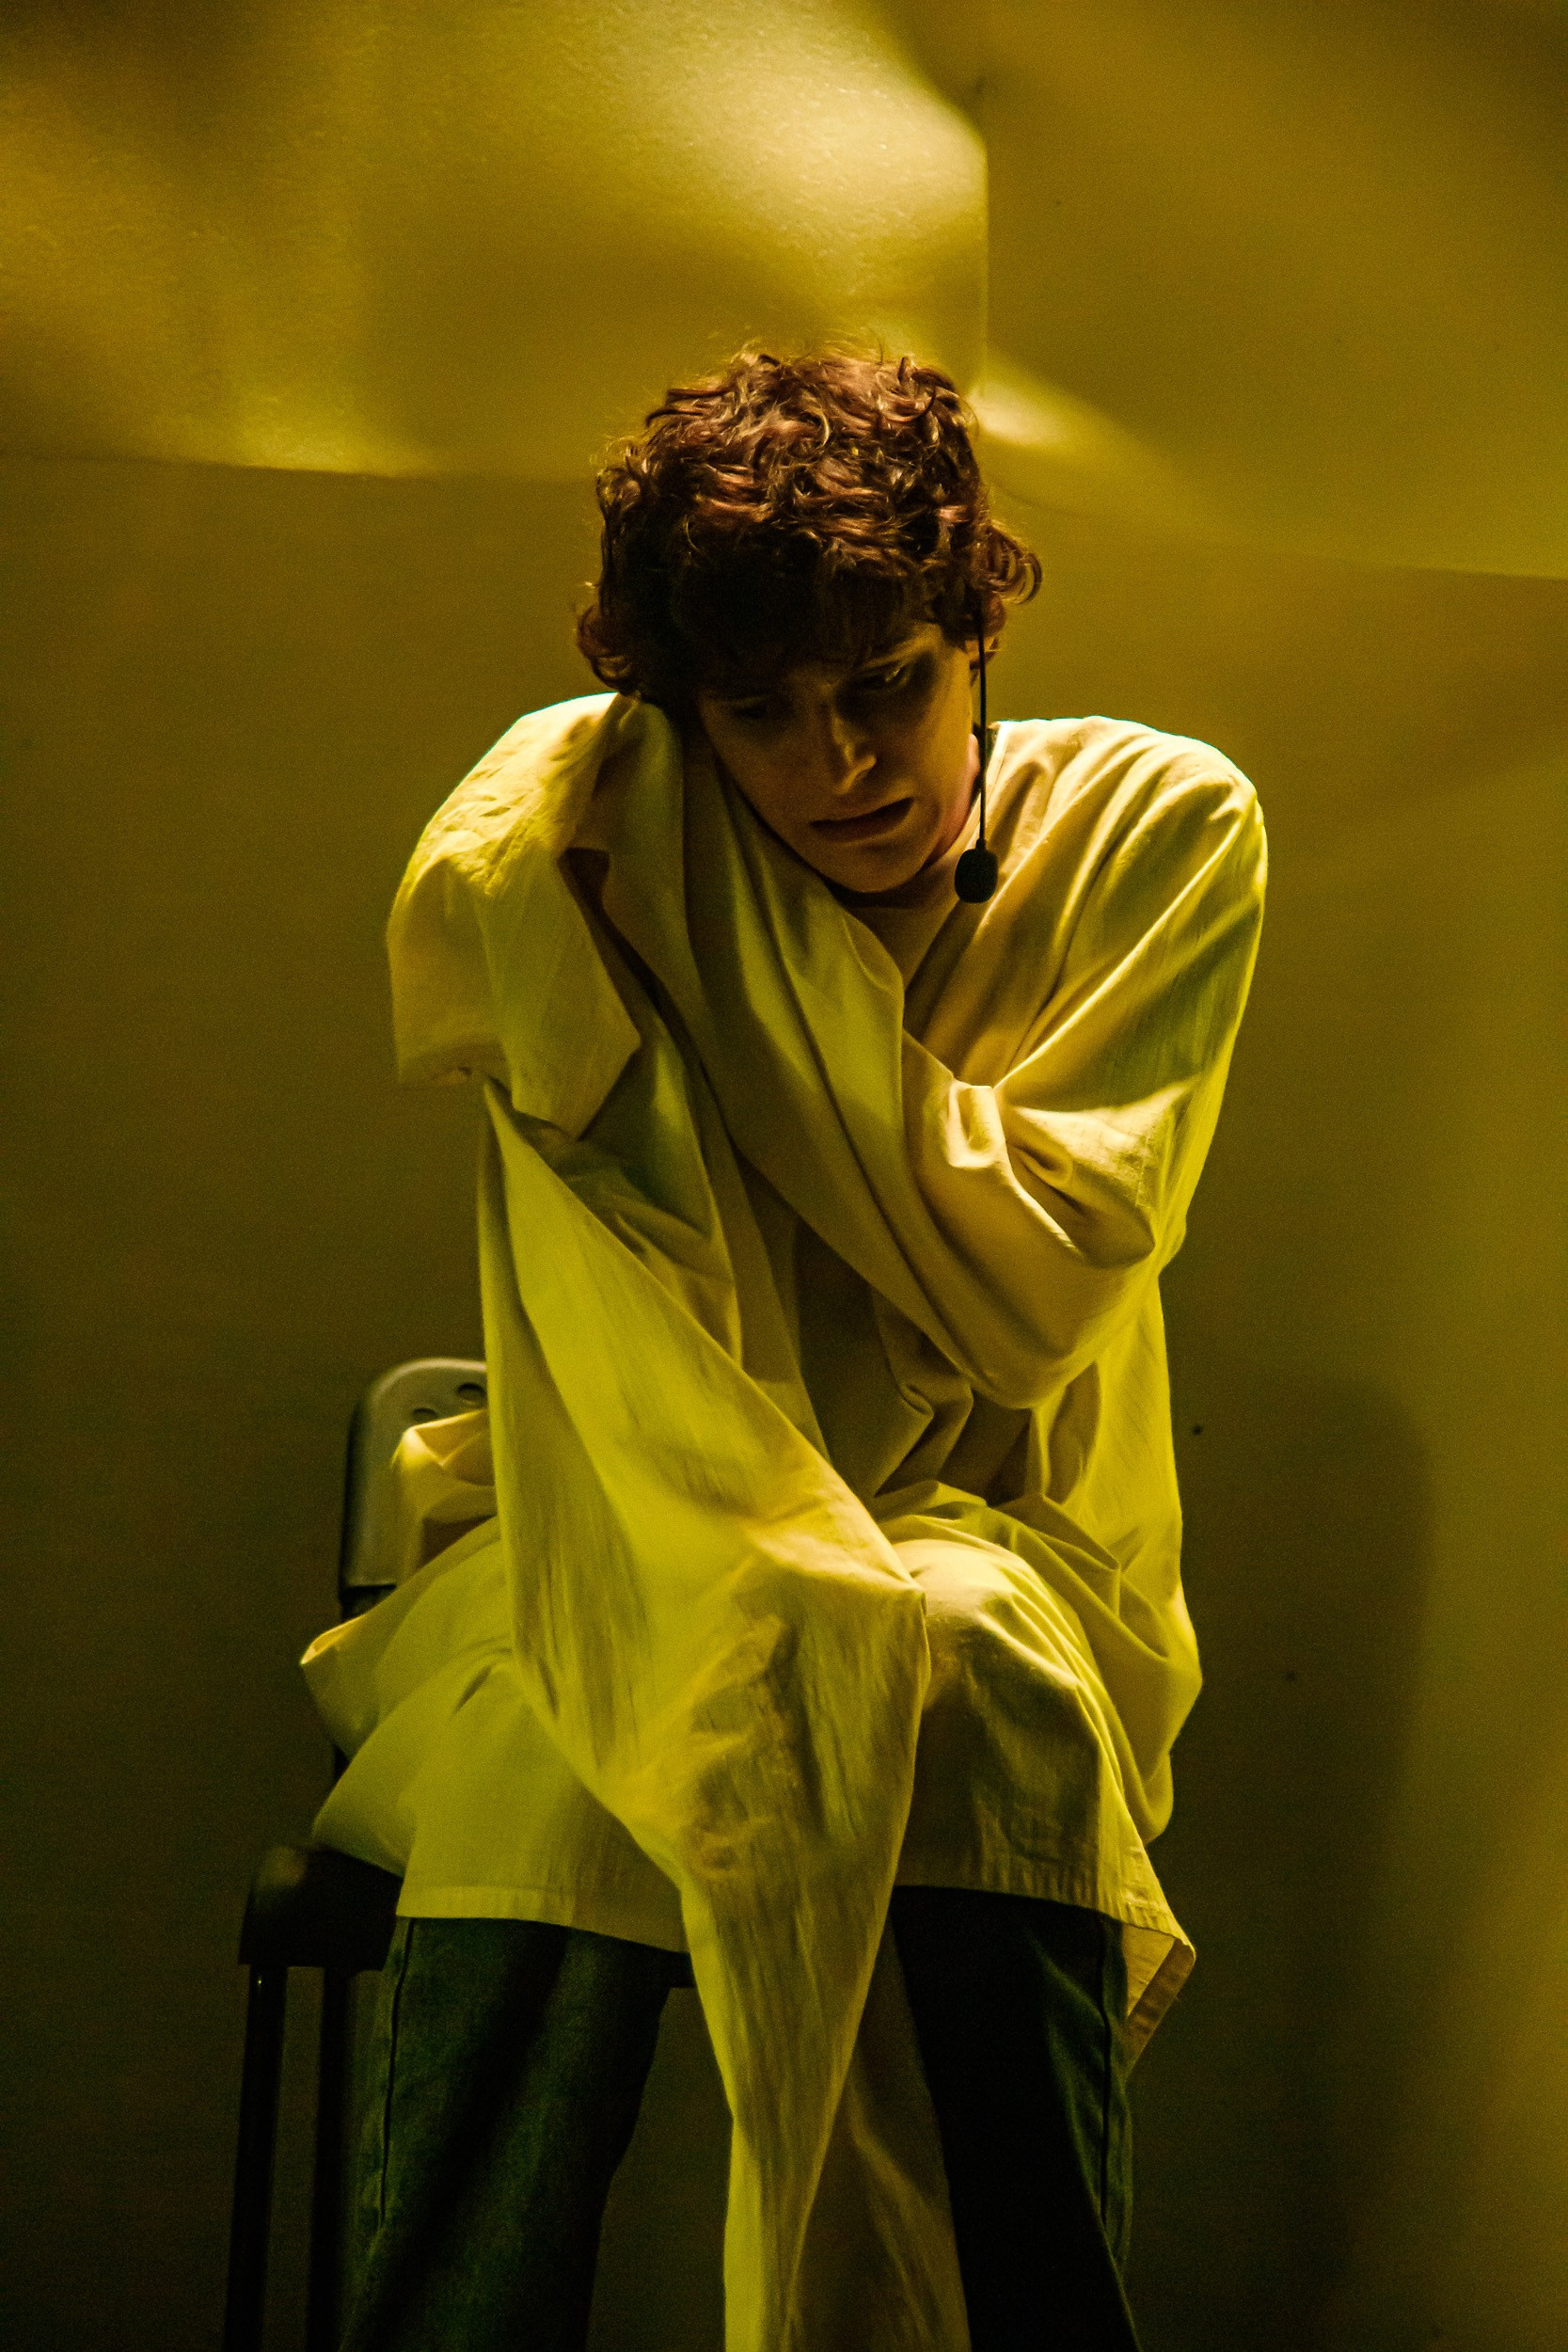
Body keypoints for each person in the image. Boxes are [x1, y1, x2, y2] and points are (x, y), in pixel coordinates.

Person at [303, 347, 1267, 2352]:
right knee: (554, 1764)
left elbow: (1036, 1290)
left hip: (1014, 1542)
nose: (844, 766)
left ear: (977, 625)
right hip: (617, 1527)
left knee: (965, 1669)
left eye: (887, 683)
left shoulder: (1154, 827)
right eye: (762, 715)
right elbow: (641, 1334)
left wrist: (702, 955)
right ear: (683, 719)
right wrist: (643, 886)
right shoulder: (586, 850)